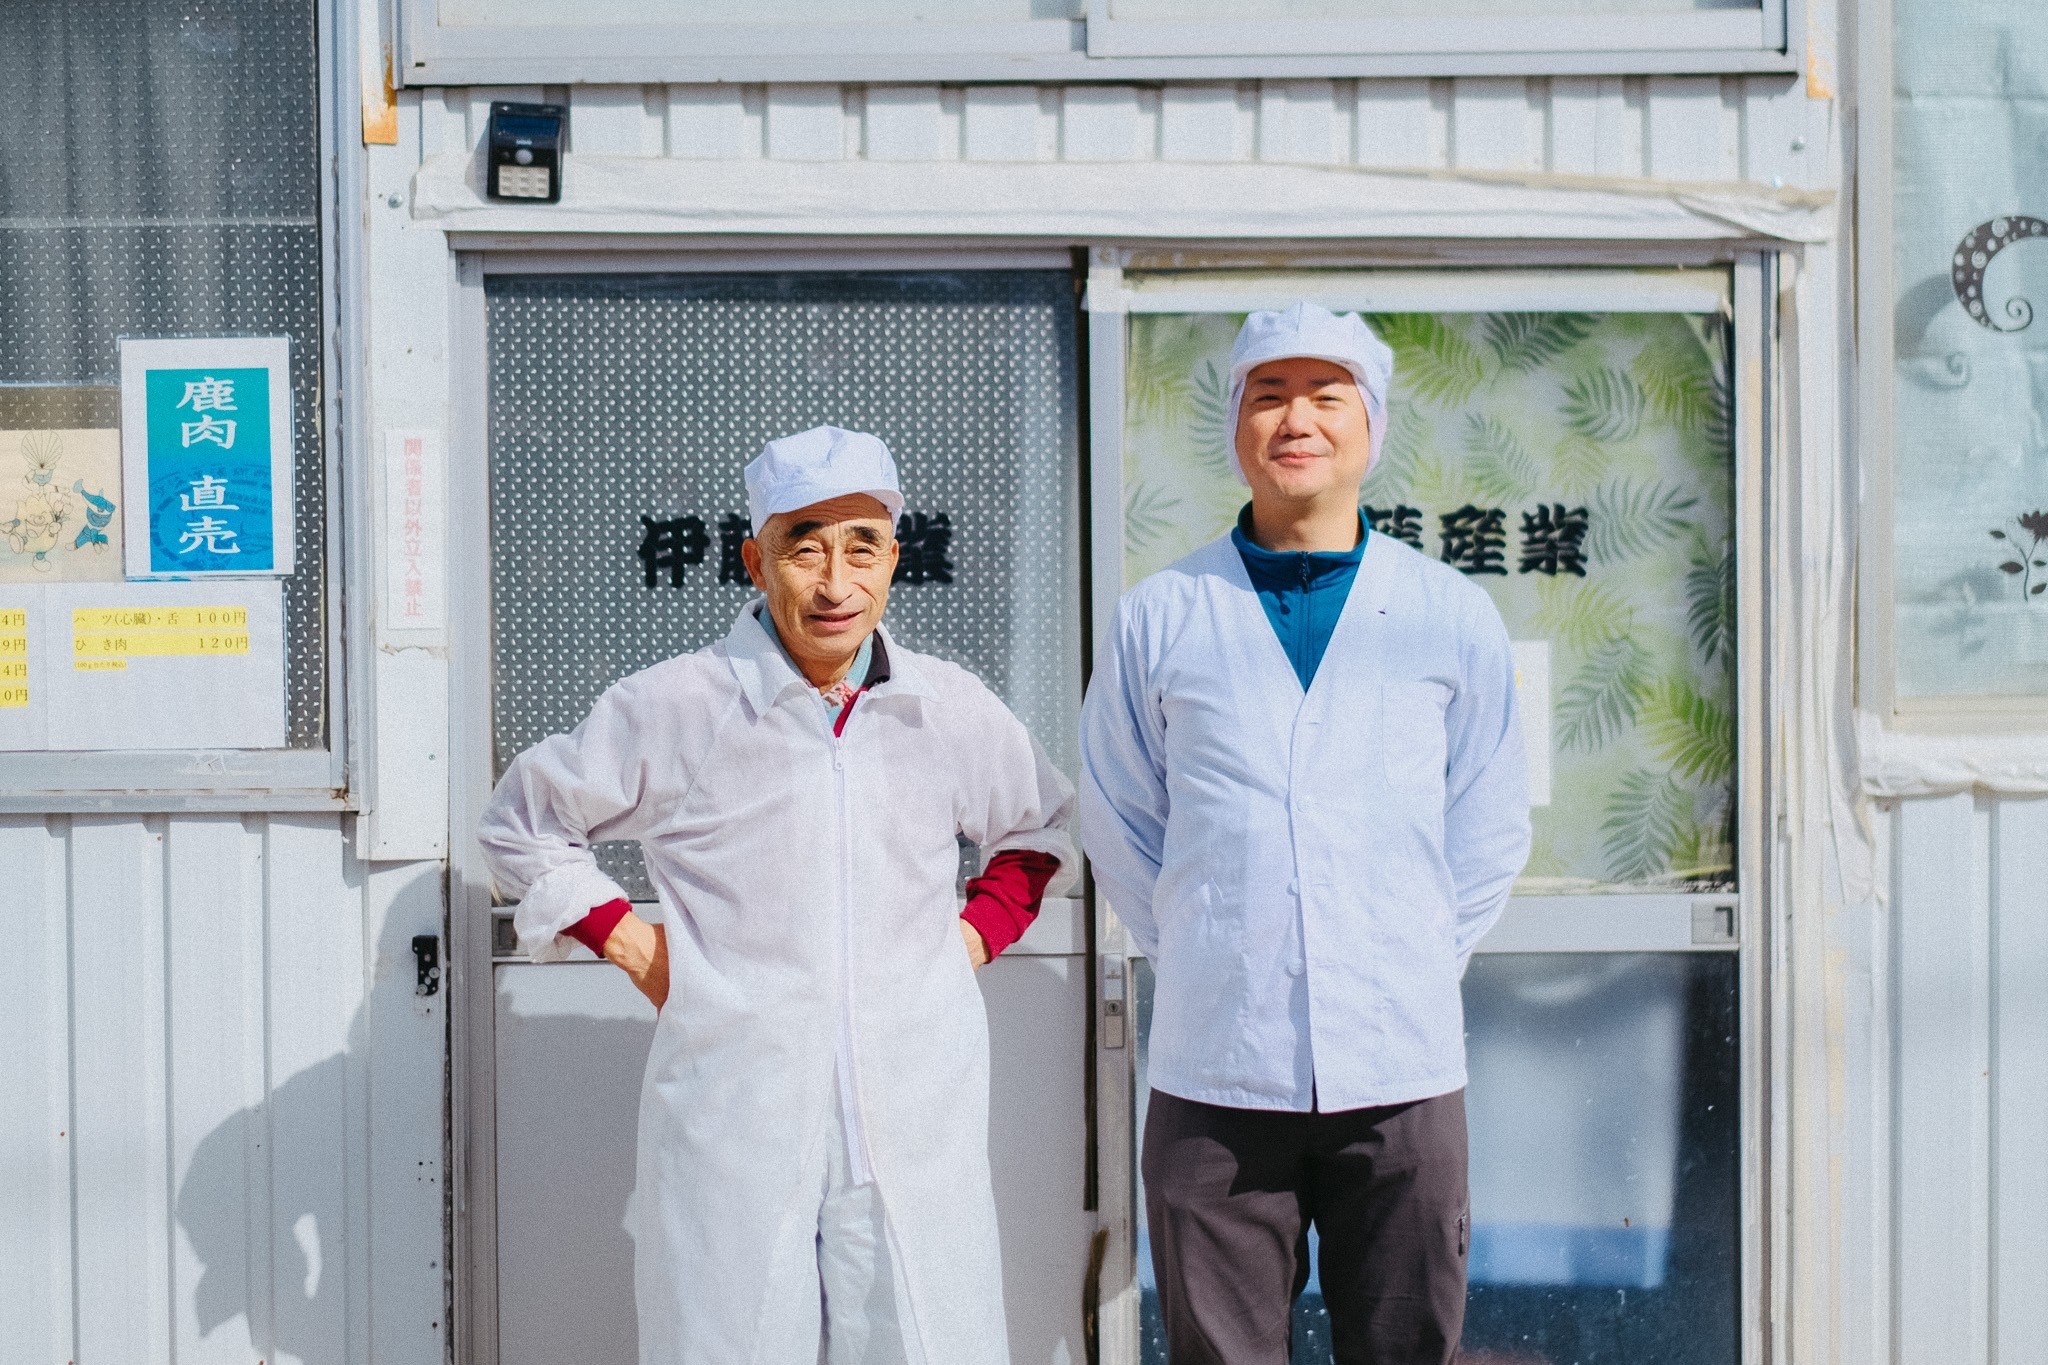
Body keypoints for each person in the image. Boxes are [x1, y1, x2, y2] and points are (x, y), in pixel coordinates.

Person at [480, 425, 1074, 1365]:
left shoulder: (943, 704)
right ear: (756, 559)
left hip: (915, 1105)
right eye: (805, 545)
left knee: (928, 1336)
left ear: (895, 554)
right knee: (730, 1342)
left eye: (862, 545)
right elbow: (522, 823)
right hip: (734, 1105)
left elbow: (1035, 828)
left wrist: (966, 942)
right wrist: (640, 950)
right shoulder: (681, 703)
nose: (836, 582)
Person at [1079, 303, 1531, 1365]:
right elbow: (1119, 818)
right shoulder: (1161, 614)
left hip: (1402, 1071)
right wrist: (1212, 946)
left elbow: (1487, 824)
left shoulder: (1445, 612)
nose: (1297, 420)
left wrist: (1399, 953)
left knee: (1405, 1345)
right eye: (1268, 395)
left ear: (1368, 425)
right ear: (1234, 424)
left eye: (1326, 396)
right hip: (1214, 1074)